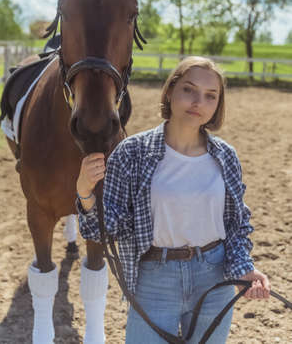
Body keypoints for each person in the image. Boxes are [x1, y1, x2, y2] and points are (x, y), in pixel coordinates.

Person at [76, 56, 270, 343]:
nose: (198, 102)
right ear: (170, 91)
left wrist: (245, 269)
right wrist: (84, 191)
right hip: (155, 279)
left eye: (210, 96)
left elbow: (236, 225)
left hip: (214, 278)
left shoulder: (226, 156)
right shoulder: (132, 153)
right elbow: (105, 230)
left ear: (217, 104)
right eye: (189, 90)